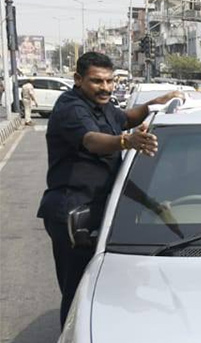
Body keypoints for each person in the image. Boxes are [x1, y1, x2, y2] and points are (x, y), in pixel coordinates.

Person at [37, 52, 183, 326]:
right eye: (97, 81)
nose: (105, 87)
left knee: (108, 292)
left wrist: (156, 104)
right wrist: (127, 142)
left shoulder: (101, 106)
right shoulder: (72, 108)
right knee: (79, 292)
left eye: (109, 81)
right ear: (78, 79)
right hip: (73, 214)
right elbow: (92, 140)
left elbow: (126, 117)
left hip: (105, 211)